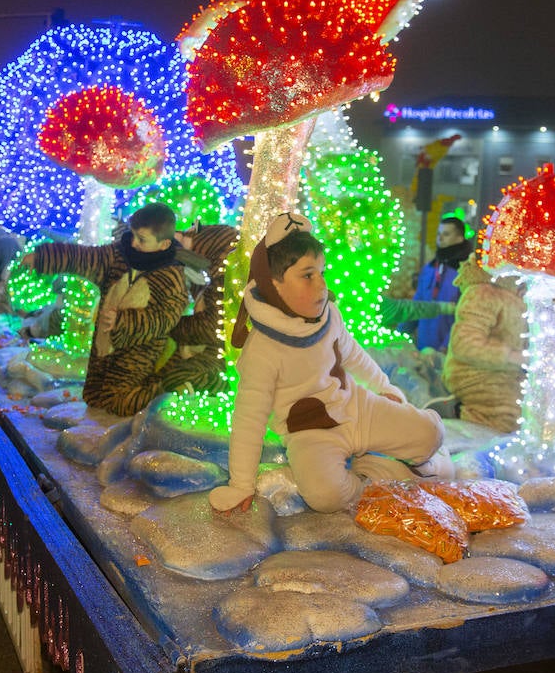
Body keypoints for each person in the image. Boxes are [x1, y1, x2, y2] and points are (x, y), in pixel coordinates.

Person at [209, 212, 451, 516]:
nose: (321, 285)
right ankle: (371, 477)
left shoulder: (329, 315)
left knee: (431, 432)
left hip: (357, 408)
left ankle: (394, 461)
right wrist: (241, 484)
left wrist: (384, 387)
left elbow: (353, 354)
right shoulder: (263, 348)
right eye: (308, 275)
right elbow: (249, 419)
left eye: (322, 272)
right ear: (274, 284)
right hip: (311, 433)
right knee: (325, 496)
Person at [21, 203, 187, 415]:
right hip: (103, 347)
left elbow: (164, 318)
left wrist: (123, 322)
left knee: (120, 402)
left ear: (163, 244)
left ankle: (167, 394)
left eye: (142, 240)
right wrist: (44, 257)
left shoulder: (171, 277)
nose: (134, 243)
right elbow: (85, 258)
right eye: (133, 235)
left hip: (136, 354)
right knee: (94, 395)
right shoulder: (120, 255)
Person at [441, 256, 527, 432]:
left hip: (512, 375)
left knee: (531, 418)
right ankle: (457, 422)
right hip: (478, 377)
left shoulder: (522, 292)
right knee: (507, 423)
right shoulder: (484, 292)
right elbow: (464, 343)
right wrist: (511, 356)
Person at [159, 221, 241, 394]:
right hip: (206, 347)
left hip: (223, 356)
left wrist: (170, 326)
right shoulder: (209, 278)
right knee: (161, 373)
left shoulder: (226, 284)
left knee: (175, 376)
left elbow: (211, 327)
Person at [407, 216, 475, 351]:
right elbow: (417, 304)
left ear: (459, 238)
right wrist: (400, 334)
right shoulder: (430, 269)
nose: (440, 238)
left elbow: (466, 315)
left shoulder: (466, 273)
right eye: (439, 234)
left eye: (446, 234)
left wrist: (446, 346)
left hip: (451, 352)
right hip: (423, 347)